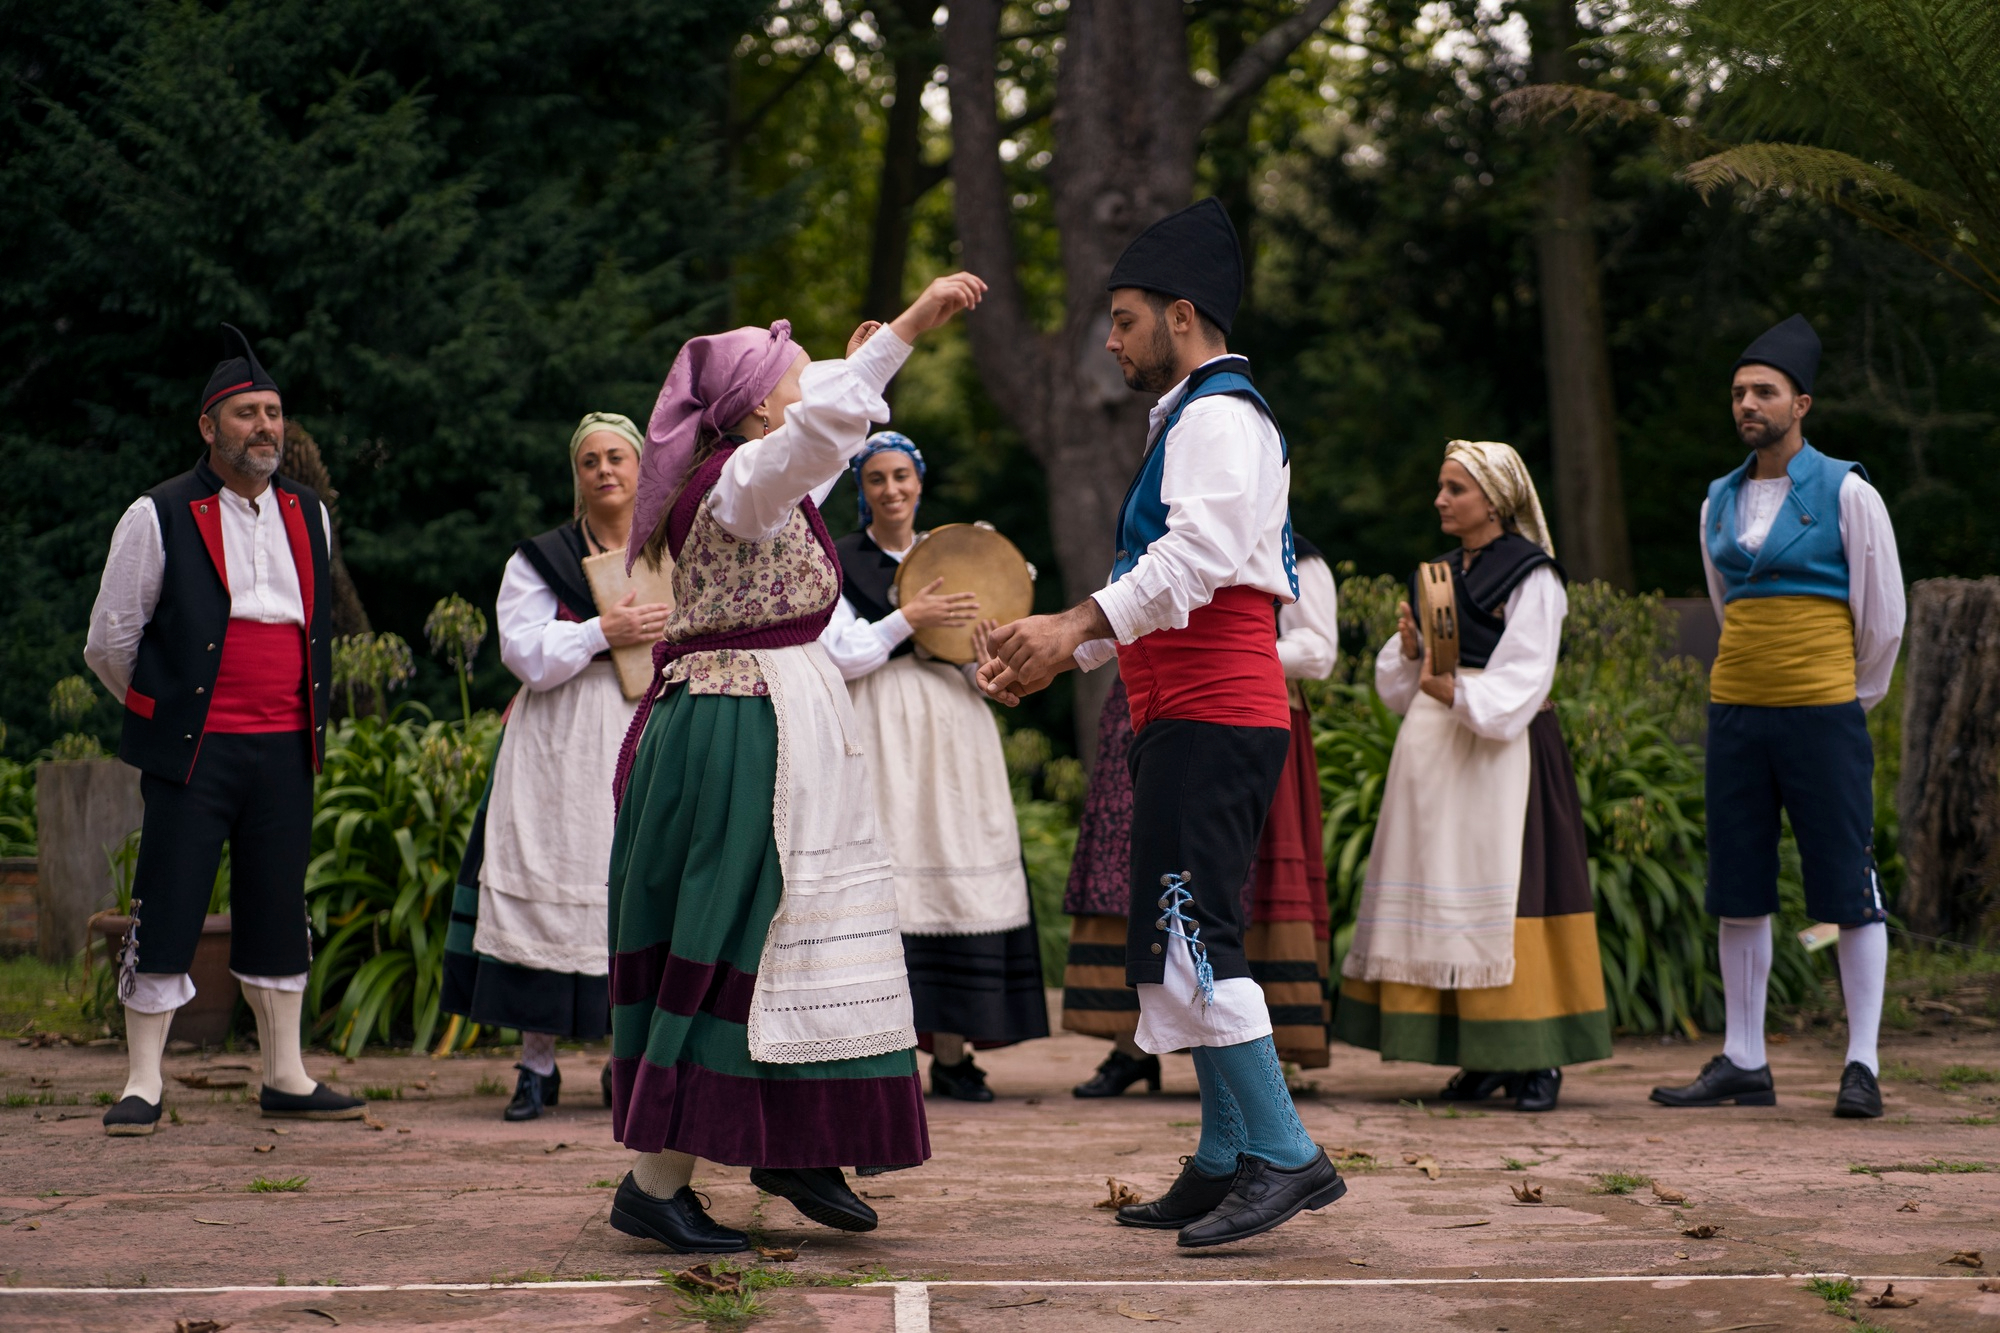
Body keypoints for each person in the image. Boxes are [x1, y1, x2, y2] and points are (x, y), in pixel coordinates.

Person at [980, 199, 1344, 1250]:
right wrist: (1063, 647)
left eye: (1124, 318)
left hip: (1215, 712)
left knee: (1194, 937)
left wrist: (1072, 628)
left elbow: (1189, 569)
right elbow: (1171, 578)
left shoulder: (1220, 418)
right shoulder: (1198, 415)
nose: (1110, 338)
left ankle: (1282, 1151)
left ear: (1181, 317)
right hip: (1189, 708)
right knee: (1188, 935)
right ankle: (1227, 1155)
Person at [600, 273, 985, 1256]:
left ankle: (797, 1139)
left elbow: (821, 444)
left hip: (777, 720)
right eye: (795, 374)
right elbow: (814, 443)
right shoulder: (737, 480)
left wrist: (862, 357)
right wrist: (903, 330)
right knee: (739, 927)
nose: (809, 384)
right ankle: (655, 1182)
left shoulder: (760, 482)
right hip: (738, 727)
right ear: (761, 405)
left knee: (801, 929)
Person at [84, 324, 365, 1135]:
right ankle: (143, 1081)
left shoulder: (310, 514)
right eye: (247, 412)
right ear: (209, 427)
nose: (265, 426)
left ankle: (285, 1073)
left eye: (274, 411)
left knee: (279, 902)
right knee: (168, 898)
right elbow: (112, 640)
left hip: (286, 747)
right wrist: (165, 711)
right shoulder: (159, 512)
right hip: (195, 748)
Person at [1652, 315, 1904, 1119]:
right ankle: (1745, 1056)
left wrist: (1841, 696)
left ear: (1802, 402)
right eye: (1738, 392)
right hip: (1737, 714)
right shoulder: (1716, 501)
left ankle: (1861, 1061)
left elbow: (1884, 619)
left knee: (1846, 884)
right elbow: (1731, 607)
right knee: (1739, 883)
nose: (1747, 403)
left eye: (1764, 391)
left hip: (1824, 713)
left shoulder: (1849, 491)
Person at [1334, 442, 1611, 1111]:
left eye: (1455, 488)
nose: (1440, 499)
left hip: (1501, 751)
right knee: (1444, 896)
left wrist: (1449, 688)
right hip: (1435, 754)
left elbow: (1522, 678)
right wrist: (1408, 654)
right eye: (1440, 486)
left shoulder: (1533, 575)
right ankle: (1477, 1053)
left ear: (1495, 498)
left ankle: (1535, 1057)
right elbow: (1403, 688)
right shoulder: (1438, 576)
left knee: (1512, 895)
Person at [441, 412, 666, 1121]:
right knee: (556, 879)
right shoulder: (540, 558)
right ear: (577, 476)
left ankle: (619, 1064)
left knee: (632, 889)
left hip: (645, 727)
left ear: (640, 469)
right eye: (591, 460)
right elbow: (525, 653)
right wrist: (605, 629)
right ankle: (536, 1065)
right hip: (560, 740)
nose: (605, 470)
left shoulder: (669, 552)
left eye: (618, 458)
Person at [819, 432, 1050, 1102]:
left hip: (954, 726)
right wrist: (907, 616)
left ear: (920, 483)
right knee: (886, 870)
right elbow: (841, 652)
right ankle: (879, 1051)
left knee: (955, 860)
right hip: (878, 722)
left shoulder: (956, 554)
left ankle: (952, 1050)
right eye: (876, 479)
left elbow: (980, 659)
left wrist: (988, 662)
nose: (890, 489)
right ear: (860, 490)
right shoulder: (838, 562)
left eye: (901, 477)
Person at [1245, 535, 1338, 1069]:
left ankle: (1282, 1050)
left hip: (1268, 711)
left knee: (1270, 870)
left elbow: (1318, 650)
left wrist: (1235, 656)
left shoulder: (1297, 555)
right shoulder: (1194, 541)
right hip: (1194, 712)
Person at [1059, 676, 1156, 1097]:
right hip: (1136, 700)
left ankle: (1233, 1056)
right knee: (1121, 872)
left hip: (1204, 692)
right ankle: (1130, 1049)